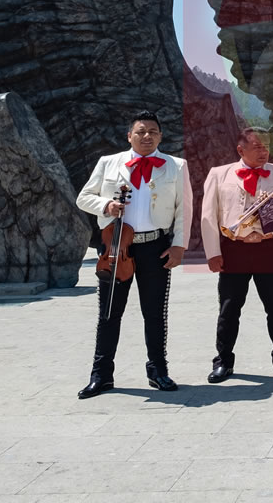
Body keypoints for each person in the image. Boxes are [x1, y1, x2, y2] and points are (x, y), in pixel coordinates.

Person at [74, 110, 192, 398]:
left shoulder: (175, 166)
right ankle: (101, 375)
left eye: (153, 131)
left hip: (156, 246)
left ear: (160, 136)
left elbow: (184, 209)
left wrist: (179, 246)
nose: (147, 136)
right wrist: (106, 206)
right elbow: (83, 197)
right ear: (130, 136)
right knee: (109, 312)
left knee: (154, 313)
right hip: (116, 247)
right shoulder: (109, 163)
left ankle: (158, 371)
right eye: (140, 131)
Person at [200, 126, 273, 382]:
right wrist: (213, 253)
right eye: (257, 146)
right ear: (241, 149)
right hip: (233, 248)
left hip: (269, 247)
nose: (264, 151)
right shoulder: (219, 174)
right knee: (229, 308)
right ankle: (223, 361)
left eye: (266, 146)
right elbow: (208, 216)